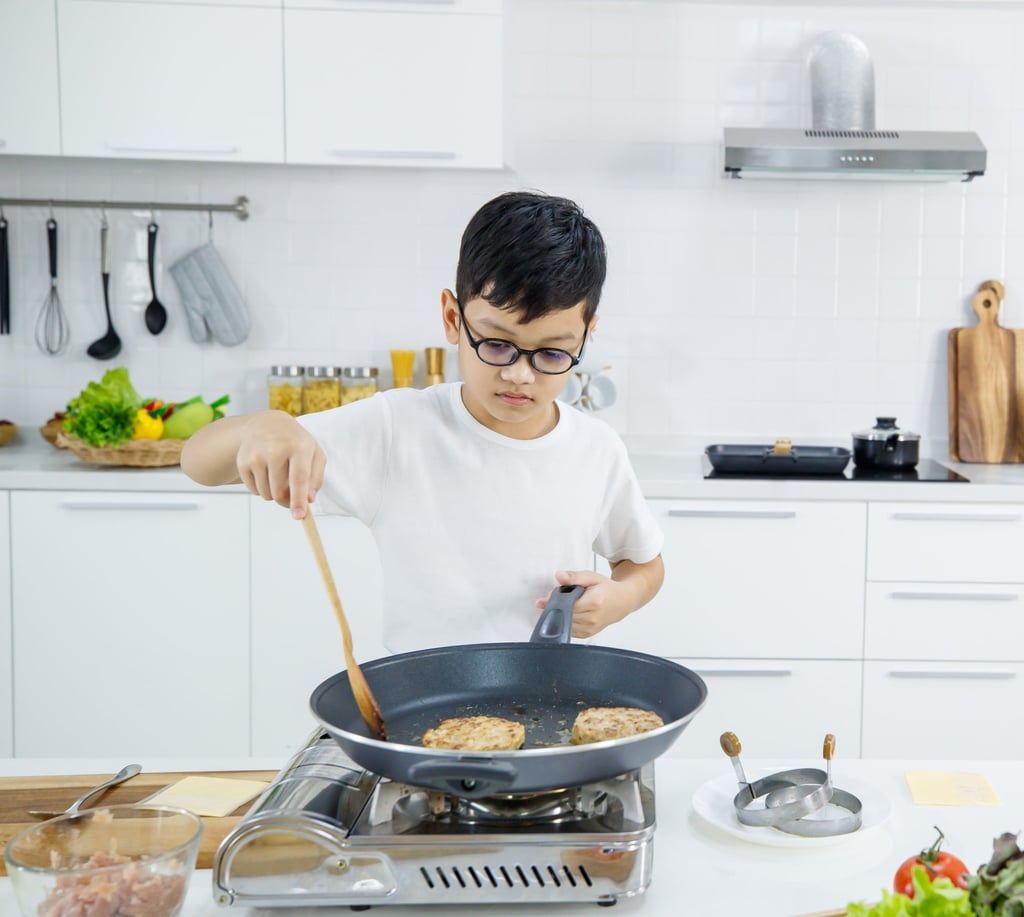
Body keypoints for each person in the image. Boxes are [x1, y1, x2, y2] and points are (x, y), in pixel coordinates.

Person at [182, 190, 664, 654]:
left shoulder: (596, 448)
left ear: (586, 336)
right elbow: (198, 462)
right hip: (423, 699)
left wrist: (620, 599)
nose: (520, 374)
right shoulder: (397, 429)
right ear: (453, 319)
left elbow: (643, 564)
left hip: (550, 697)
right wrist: (263, 425)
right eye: (497, 344)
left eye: (553, 353)